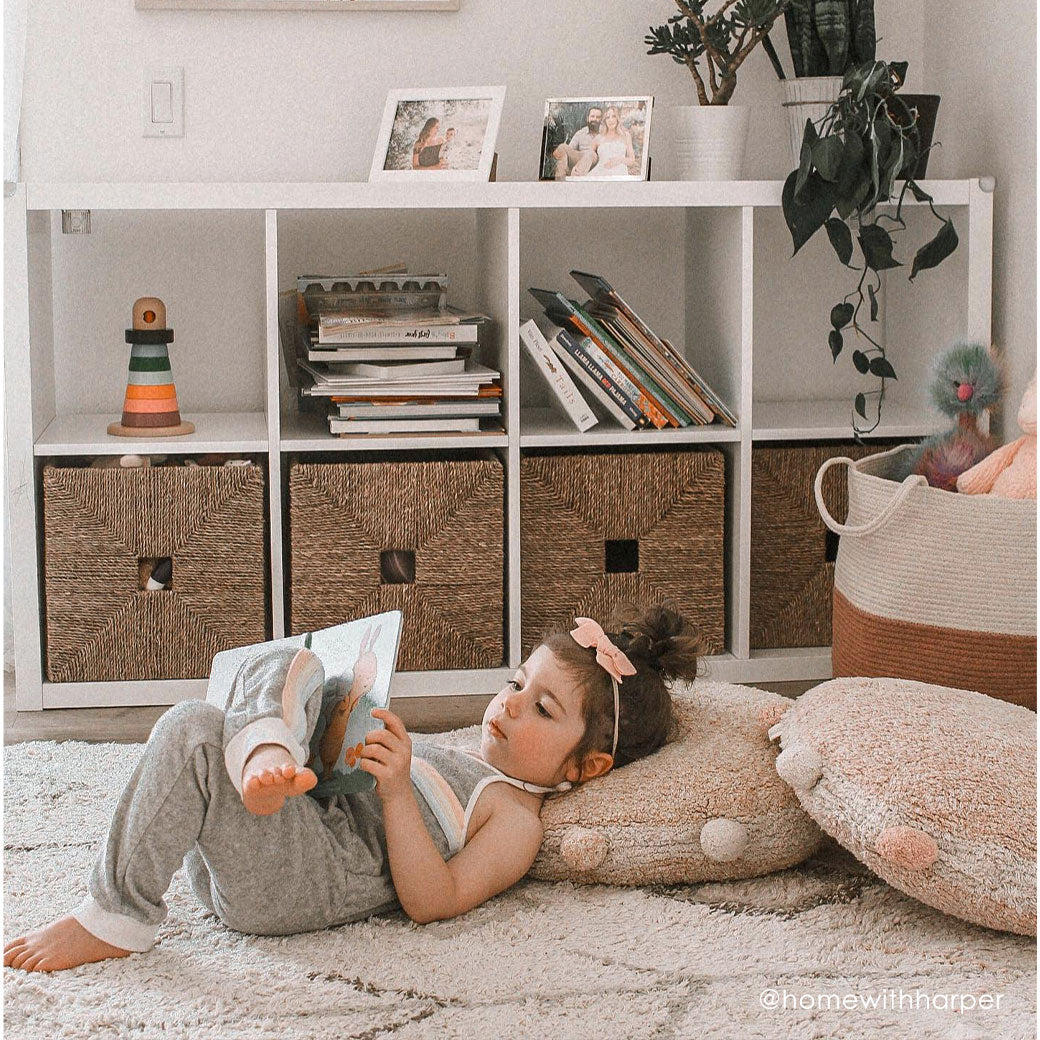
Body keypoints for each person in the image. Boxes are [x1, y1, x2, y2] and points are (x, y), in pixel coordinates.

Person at [3, 604, 700, 973]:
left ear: (585, 768)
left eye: (542, 709)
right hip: (268, 842)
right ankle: (266, 751)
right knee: (298, 666)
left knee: (190, 729)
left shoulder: (516, 818)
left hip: (305, 878)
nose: (511, 704)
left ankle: (114, 918)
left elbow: (434, 902)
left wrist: (395, 792)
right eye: (517, 682)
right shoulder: (469, 755)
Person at [584, 105, 638, 178]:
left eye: (613, 116)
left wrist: (619, 160)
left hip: (619, 172)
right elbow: (587, 157)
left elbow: (632, 160)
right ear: (605, 121)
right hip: (600, 172)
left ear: (617, 118)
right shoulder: (598, 138)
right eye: (607, 117)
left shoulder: (625, 135)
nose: (611, 120)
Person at [552, 105, 604, 180]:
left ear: (601, 120)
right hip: (580, 159)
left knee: (591, 153)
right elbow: (569, 150)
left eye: (598, 117)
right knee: (562, 147)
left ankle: (576, 177)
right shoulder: (580, 133)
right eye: (592, 116)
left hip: (596, 159)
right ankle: (560, 180)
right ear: (588, 118)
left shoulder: (605, 133)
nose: (595, 119)